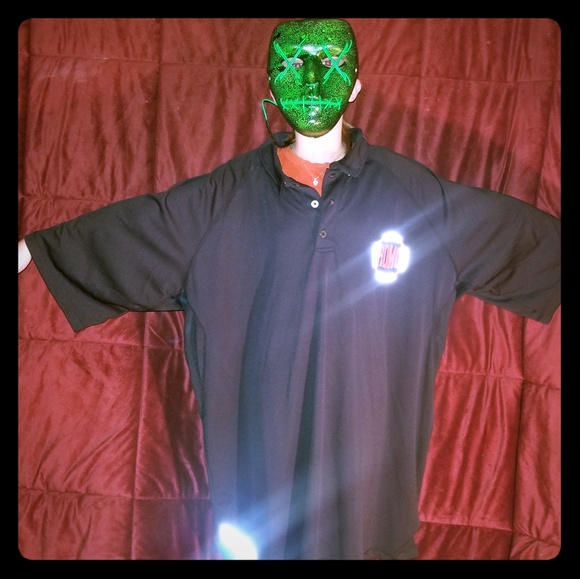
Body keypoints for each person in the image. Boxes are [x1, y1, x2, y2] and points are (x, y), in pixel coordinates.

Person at [18, 18, 560, 560]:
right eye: (294, 64)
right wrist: (32, 250)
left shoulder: (417, 199)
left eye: (331, 64)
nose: (313, 81)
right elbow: (127, 233)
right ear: (271, 88)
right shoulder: (217, 204)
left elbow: (521, 240)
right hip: (259, 521)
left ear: (356, 86)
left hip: (371, 520)